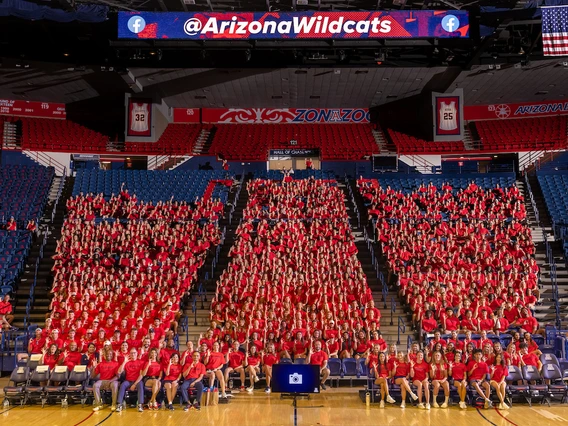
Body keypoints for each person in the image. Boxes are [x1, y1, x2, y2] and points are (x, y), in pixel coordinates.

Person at [116, 348, 144, 412]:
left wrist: (134, 384)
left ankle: (140, 404)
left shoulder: (141, 362)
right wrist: (124, 362)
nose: (133, 354)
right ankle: (119, 404)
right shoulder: (127, 363)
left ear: (137, 354)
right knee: (122, 385)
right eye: (131, 353)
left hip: (137, 381)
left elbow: (141, 375)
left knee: (140, 385)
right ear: (129, 354)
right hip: (128, 381)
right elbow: (119, 372)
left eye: (134, 353)